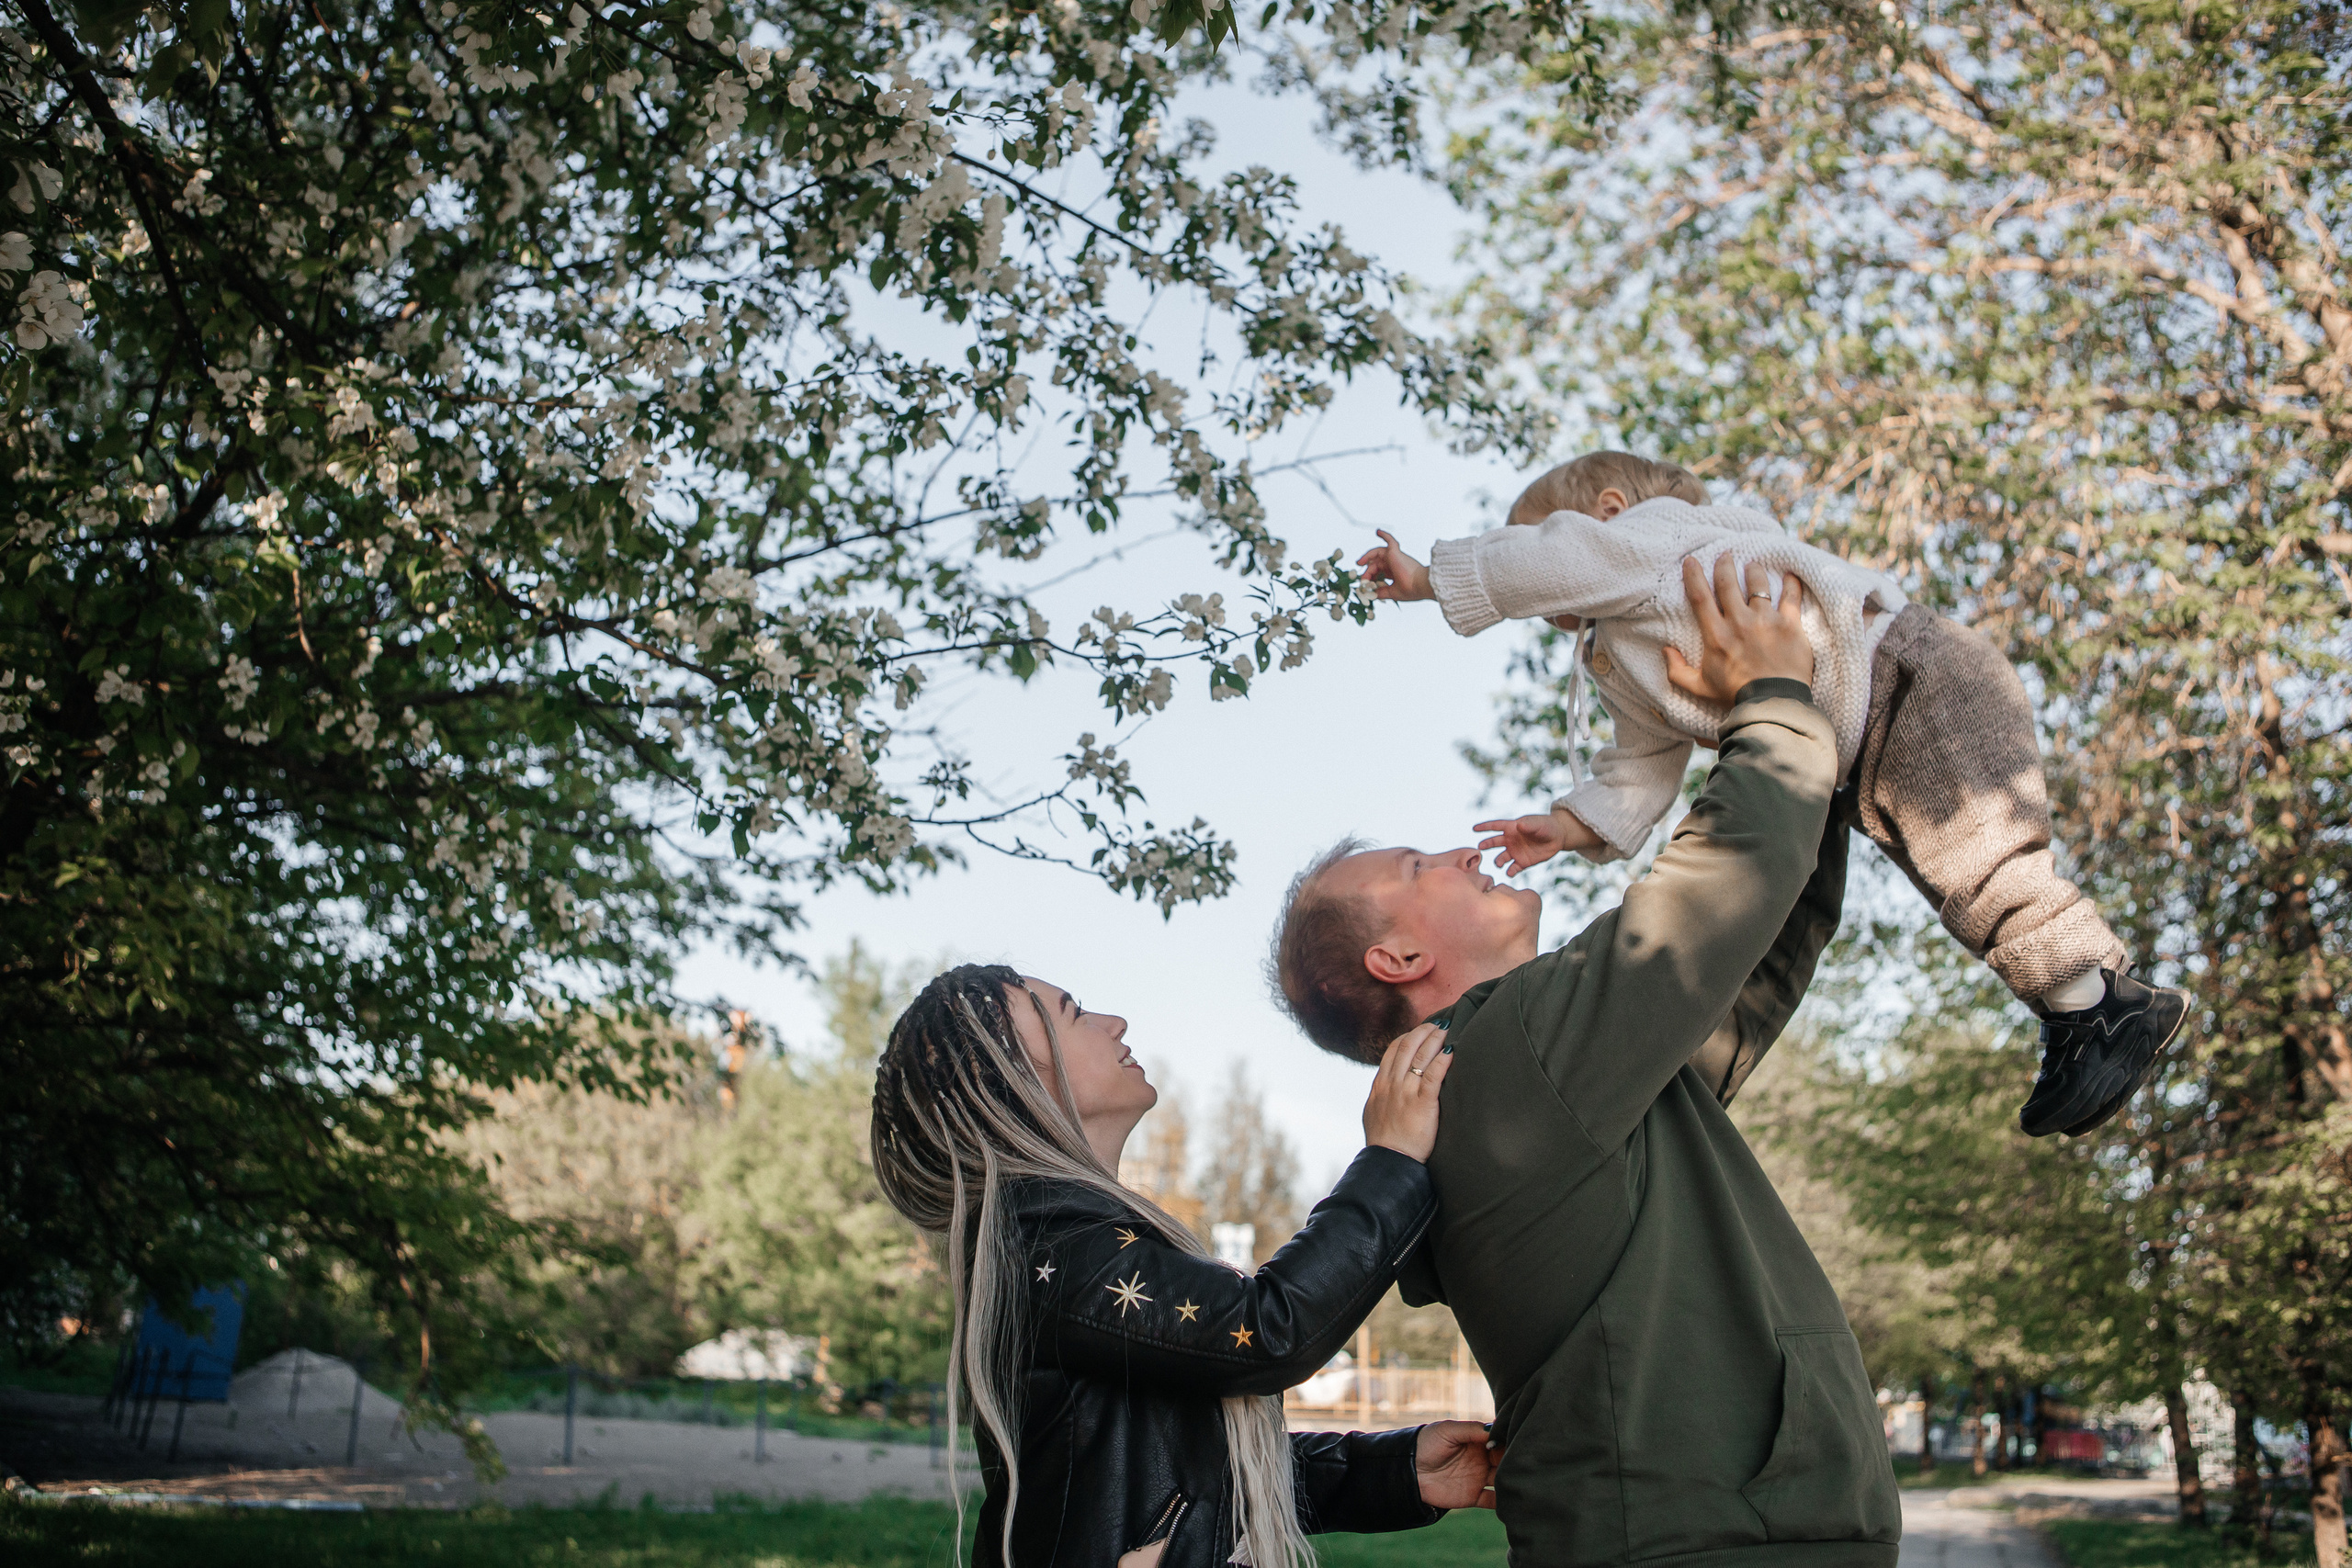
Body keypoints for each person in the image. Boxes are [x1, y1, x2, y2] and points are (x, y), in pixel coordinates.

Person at [1271, 556, 1897, 1568]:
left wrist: (1815, 727)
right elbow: (1728, 877)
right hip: (1700, 1539)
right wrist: (1773, 697)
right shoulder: (1498, 1056)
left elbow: (1751, 946)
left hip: (1719, 1530)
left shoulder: (1539, 1068)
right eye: (1420, 867)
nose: (1459, 851)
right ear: (1399, 958)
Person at [1355, 449, 2185, 1137]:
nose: (1544, 594)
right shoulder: (1626, 648)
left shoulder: (1652, 543)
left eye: (1543, 542)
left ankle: (2096, 1001)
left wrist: (1435, 577)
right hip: (1868, 739)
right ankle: (2088, 1003)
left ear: (1606, 513)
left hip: (1905, 677)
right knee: (1963, 886)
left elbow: (1558, 561)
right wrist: (1575, 825)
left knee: (1983, 866)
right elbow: (1643, 761)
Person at [868, 964, 1496, 1568]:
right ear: (1008, 1078)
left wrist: (1399, 1468)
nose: (1114, 1021)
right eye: (1075, 1013)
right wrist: (1390, 1159)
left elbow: (1199, 1483)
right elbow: (1270, 1330)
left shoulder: (1068, 1241)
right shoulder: (1048, 1245)